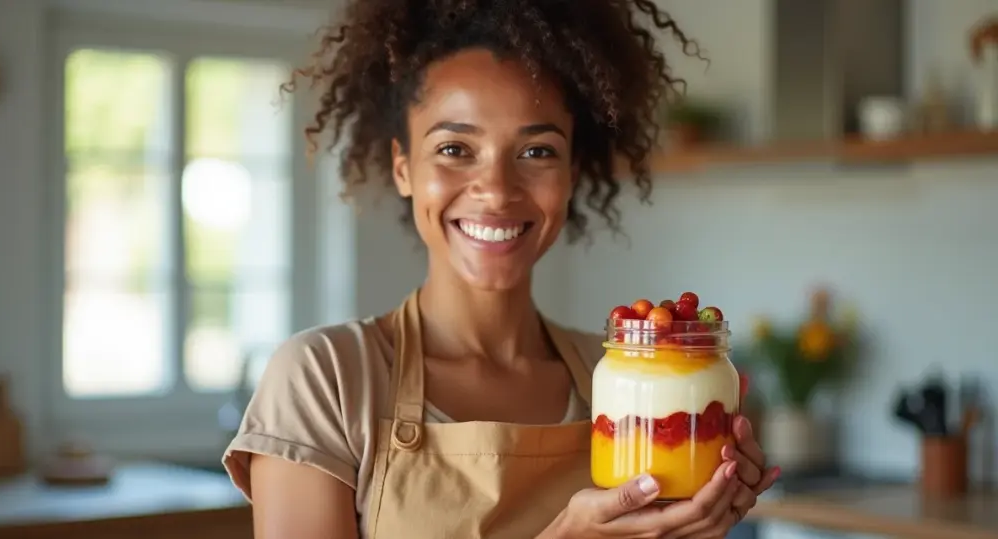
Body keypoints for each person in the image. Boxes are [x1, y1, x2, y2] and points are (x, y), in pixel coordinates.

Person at [222, 1, 780, 537]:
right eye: (454, 149)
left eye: (537, 152)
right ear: (403, 168)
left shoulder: (623, 374)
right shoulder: (327, 379)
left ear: (572, 172)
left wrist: (693, 525)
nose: (495, 190)